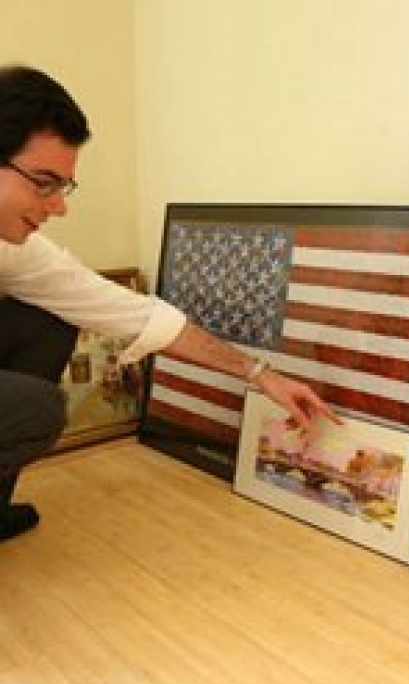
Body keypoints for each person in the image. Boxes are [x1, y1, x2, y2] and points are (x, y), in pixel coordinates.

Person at [0, 64, 337, 542]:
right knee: (35, 410)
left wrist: (260, 374)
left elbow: (134, 312)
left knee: (46, 321)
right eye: (42, 182)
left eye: (63, 186)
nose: (59, 207)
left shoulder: (14, 248)